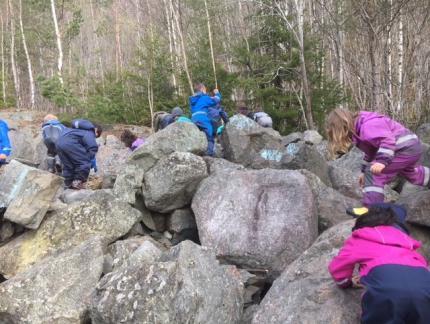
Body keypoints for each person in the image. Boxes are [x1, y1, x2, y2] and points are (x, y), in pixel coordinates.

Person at [329, 204, 430, 324]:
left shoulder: (360, 237)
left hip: (386, 291)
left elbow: (339, 266)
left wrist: (345, 282)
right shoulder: (407, 242)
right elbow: (422, 264)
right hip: (424, 287)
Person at [326, 108, 429, 208]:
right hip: (409, 147)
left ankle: (373, 209)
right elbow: (371, 152)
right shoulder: (359, 130)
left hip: (404, 148)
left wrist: (381, 162)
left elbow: (387, 141)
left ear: (344, 126)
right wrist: (363, 171)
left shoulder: (367, 126)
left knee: (374, 173)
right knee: (410, 173)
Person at [56, 119, 102, 190]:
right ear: (95, 129)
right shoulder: (89, 132)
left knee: (68, 165)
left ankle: (67, 184)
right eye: (96, 135)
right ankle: (77, 182)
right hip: (70, 144)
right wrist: (90, 158)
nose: (94, 138)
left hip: (59, 142)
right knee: (84, 163)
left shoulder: (75, 130)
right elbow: (93, 146)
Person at [189, 83, 221, 156]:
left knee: (197, 136)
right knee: (209, 137)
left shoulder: (192, 99)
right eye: (205, 90)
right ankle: (209, 153)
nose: (206, 92)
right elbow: (216, 100)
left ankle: (197, 153)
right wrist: (217, 93)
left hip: (194, 119)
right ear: (202, 89)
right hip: (203, 119)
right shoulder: (204, 98)